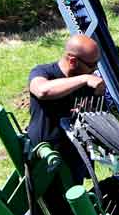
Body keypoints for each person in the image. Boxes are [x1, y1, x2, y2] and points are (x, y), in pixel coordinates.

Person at [26, 33, 106, 180]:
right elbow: (42, 90)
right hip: (44, 161)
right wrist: (84, 78)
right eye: (91, 65)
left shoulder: (89, 84)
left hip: (74, 162)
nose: (95, 69)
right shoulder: (44, 72)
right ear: (73, 61)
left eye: (97, 63)